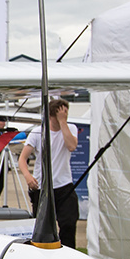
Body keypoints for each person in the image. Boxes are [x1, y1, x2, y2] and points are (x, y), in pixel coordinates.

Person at [18, 98, 80, 248]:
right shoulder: (37, 132)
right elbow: (22, 158)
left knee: (68, 224)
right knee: (41, 226)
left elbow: (71, 146)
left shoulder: (70, 128)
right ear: (50, 117)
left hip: (64, 184)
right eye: (57, 117)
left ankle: (68, 252)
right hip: (42, 186)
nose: (60, 120)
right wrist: (28, 176)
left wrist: (63, 122)